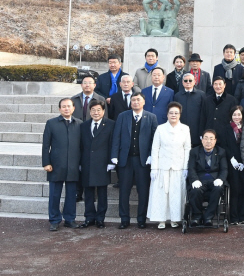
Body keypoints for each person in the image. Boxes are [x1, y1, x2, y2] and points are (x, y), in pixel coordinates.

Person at [110, 92, 158, 229]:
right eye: (133, 100)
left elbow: (155, 140)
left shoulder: (151, 117)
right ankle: (124, 219)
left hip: (143, 161)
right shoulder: (123, 116)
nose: (135, 102)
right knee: (124, 190)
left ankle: (141, 219)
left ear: (143, 102)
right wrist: (114, 155)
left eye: (138, 100)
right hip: (125, 160)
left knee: (143, 191)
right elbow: (116, 136)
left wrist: (151, 155)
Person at [147, 102, 192, 229]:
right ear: (167, 114)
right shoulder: (160, 128)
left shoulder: (185, 128)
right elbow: (155, 148)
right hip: (162, 166)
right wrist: (154, 168)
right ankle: (161, 219)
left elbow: (187, 148)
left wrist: (185, 167)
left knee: (176, 194)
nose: (173, 115)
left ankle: (175, 219)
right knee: (161, 193)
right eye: (171, 113)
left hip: (178, 166)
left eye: (176, 113)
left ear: (180, 115)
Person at [42, 98, 82, 231]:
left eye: (69, 106)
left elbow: (82, 146)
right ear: (59, 109)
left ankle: (70, 219)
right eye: (63, 106)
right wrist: (46, 162)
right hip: (55, 165)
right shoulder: (51, 123)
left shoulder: (80, 124)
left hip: (73, 165)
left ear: (73, 108)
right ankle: (54, 220)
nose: (66, 109)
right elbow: (46, 145)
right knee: (54, 194)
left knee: (71, 194)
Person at [79, 99, 114, 229]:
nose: (96, 112)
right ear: (90, 111)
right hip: (87, 162)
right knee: (88, 193)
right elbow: (80, 145)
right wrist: (79, 162)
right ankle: (89, 218)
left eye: (99, 110)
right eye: (93, 110)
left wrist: (111, 161)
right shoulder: (84, 125)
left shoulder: (110, 124)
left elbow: (112, 143)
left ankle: (100, 218)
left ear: (103, 111)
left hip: (102, 163)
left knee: (102, 193)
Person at [187, 128, 228, 227]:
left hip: (215, 179)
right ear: (202, 140)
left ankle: (208, 217)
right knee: (195, 191)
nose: (208, 141)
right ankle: (197, 216)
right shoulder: (194, 152)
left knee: (218, 189)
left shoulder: (221, 152)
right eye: (206, 138)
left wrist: (220, 179)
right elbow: (191, 168)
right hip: (200, 179)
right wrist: (194, 180)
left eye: (211, 139)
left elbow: (224, 169)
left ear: (215, 140)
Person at [216, 106, 244, 225]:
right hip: (232, 163)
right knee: (235, 190)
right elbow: (224, 145)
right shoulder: (225, 129)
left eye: (239, 115)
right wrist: (232, 159)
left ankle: (243, 216)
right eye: (234, 114)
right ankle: (233, 217)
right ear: (231, 116)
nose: (237, 117)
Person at [175, 73, 206, 148]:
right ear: (182, 82)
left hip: (197, 129)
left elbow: (204, 112)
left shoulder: (201, 95)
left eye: (190, 80)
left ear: (194, 81)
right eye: (185, 81)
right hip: (181, 130)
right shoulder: (177, 96)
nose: (188, 82)